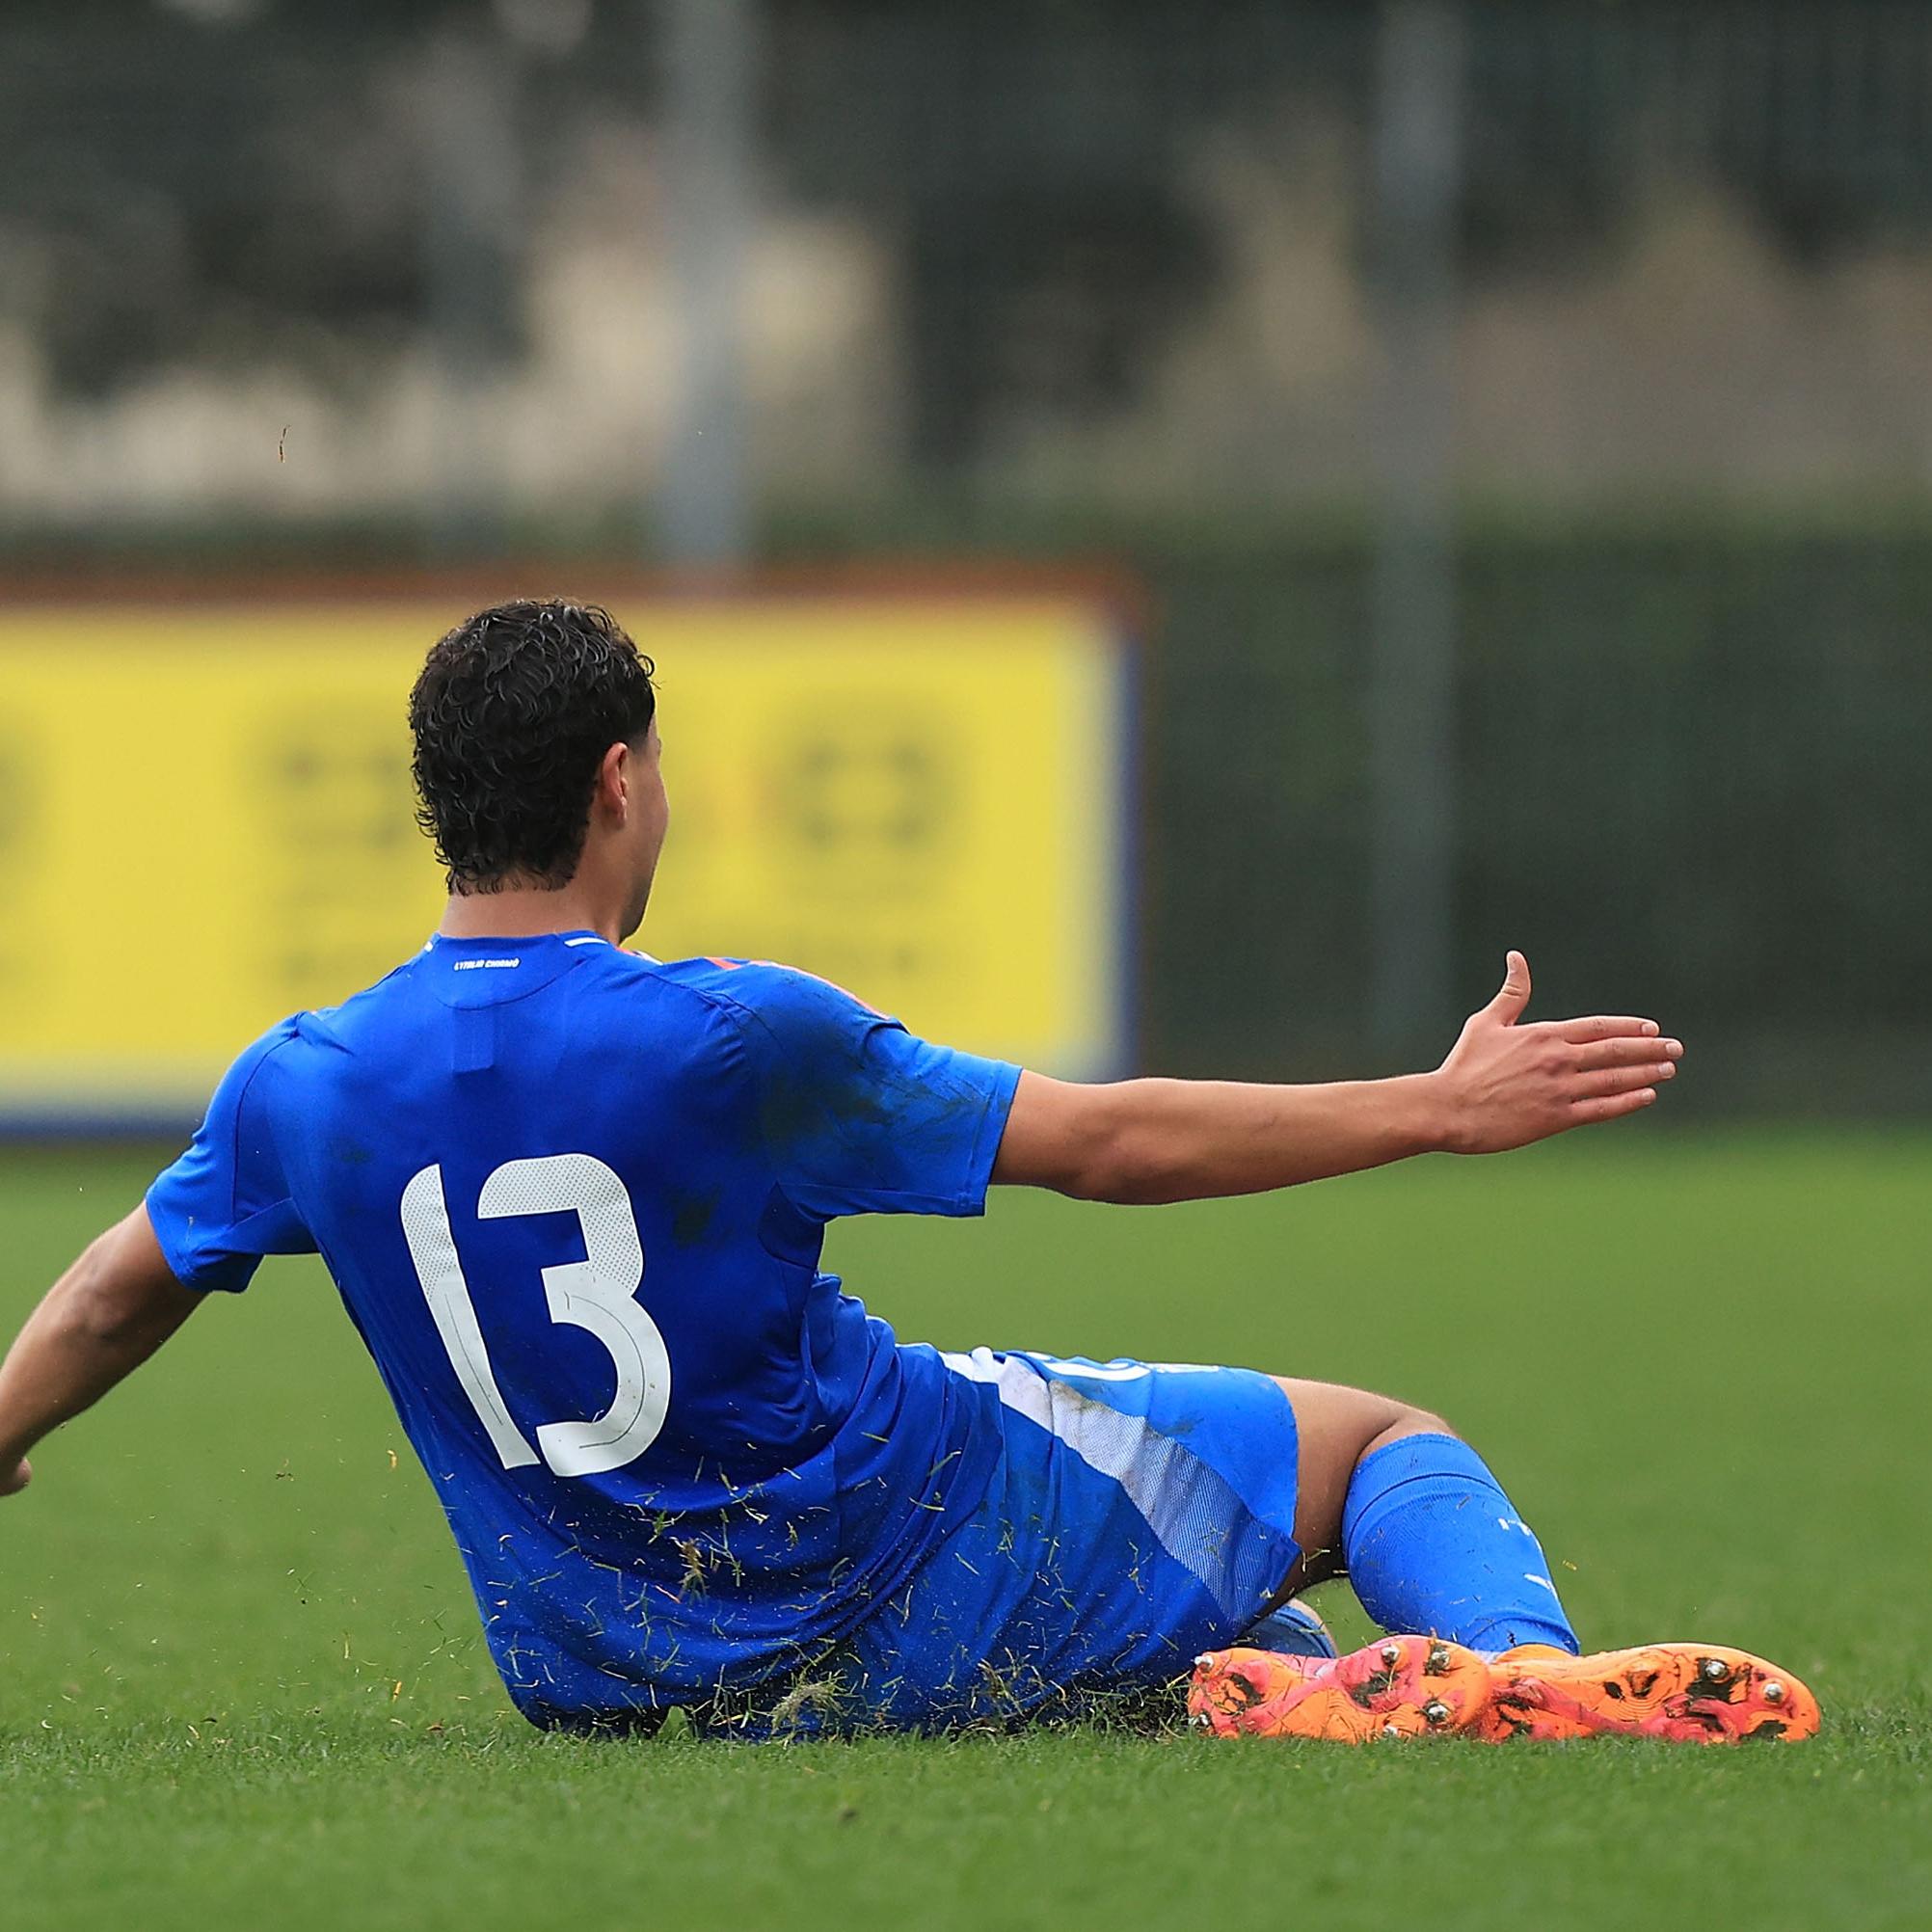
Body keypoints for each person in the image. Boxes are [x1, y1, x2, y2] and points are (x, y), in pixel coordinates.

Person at [0, 600, 1816, 1746]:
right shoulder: (724, 1035)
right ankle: (1517, 1675)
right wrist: (1428, 1106)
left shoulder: (300, 1085)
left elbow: (108, 1291)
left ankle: (1275, 1692)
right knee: (1370, 1450)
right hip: (905, 1556)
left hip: (611, 1681)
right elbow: (1103, 1146)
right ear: (621, 781)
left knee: (1214, 1636)